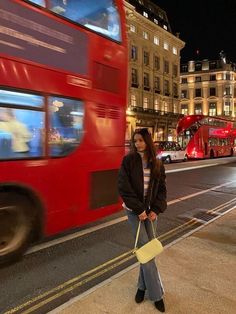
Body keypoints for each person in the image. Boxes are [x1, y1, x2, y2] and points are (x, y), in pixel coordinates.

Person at [118, 128, 167, 312]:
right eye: (135, 140)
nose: (137, 144)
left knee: (147, 252)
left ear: (147, 141)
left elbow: (162, 189)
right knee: (147, 249)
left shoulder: (157, 163)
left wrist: (156, 209)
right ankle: (157, 295)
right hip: (134, 212)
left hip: (151, 213)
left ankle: (141, 287)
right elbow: (123, 187)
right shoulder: (128, 161)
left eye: (140, 140)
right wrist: (139, 209)